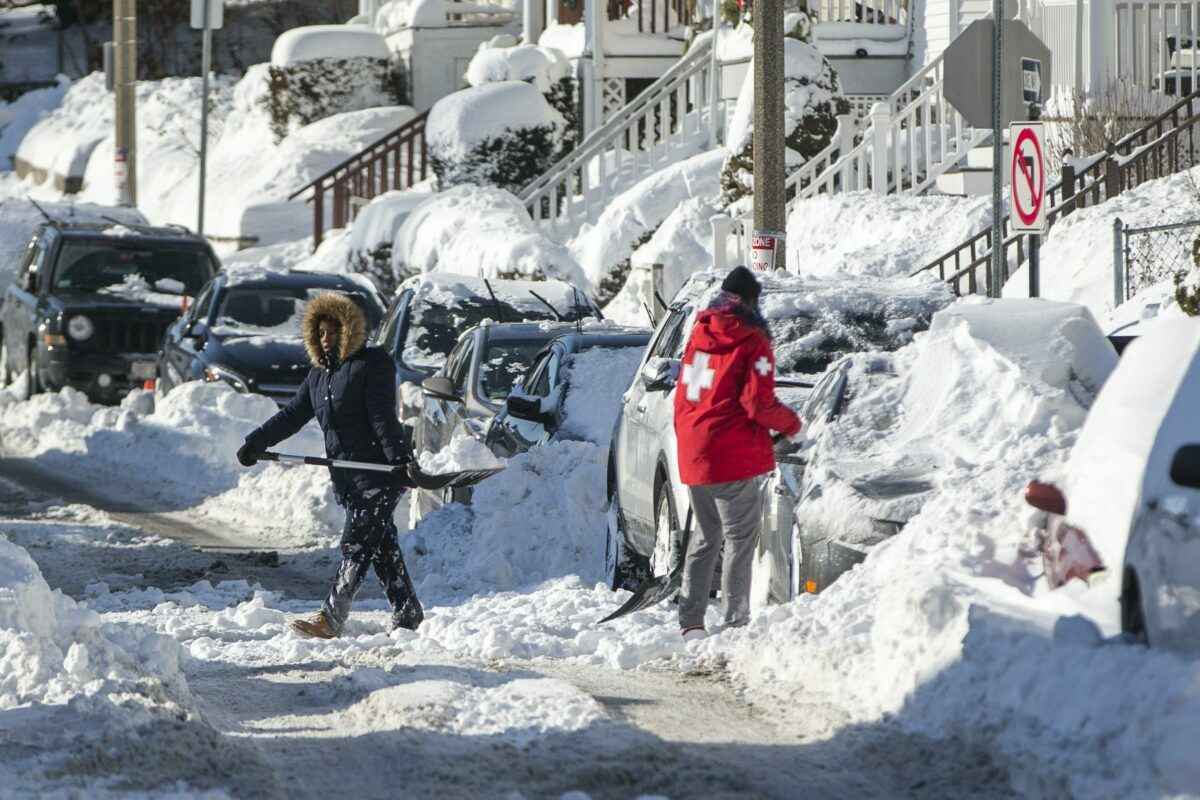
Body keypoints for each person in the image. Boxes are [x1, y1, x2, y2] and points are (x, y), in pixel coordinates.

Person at [236, 292, 422, 639]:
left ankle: (332, 618)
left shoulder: (372, 363)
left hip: (379, 473)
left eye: (334, 331)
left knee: (355, 544)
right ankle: (408, 611)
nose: (327, 339)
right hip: (348, 476)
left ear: (351, 329)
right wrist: (256, 441)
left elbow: (383, 417)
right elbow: (292, 415)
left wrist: (399, 460)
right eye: (321, 332)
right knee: (381, 547)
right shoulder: (319, 376)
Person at [673, 266, 802, 640]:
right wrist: (794, 426)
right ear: (750, 300)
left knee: (705, 535)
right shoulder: (753, 342)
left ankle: (691, 621)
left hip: (694, 448)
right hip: (731, 452)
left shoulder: (699, 334)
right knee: (739, 539)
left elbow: (685, 393)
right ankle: (734, 621)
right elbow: (757, 403)